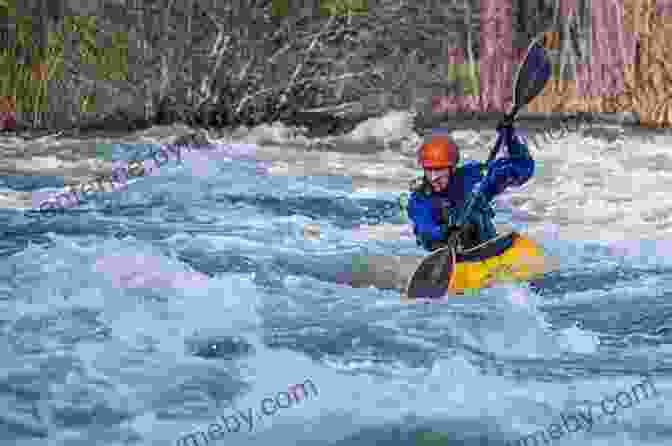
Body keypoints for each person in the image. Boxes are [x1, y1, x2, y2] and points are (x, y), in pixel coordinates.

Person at [407, 124, 534, 252]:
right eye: (429, 170)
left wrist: (510, 140)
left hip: (485, 247)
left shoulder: (473, 178)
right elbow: (426, 230)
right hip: (448, 255)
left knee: (472, 206)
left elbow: (523, 167)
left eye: (439, 169)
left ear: (452, 168)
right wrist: (447, 231)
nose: (434, 177)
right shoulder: (420, 199)